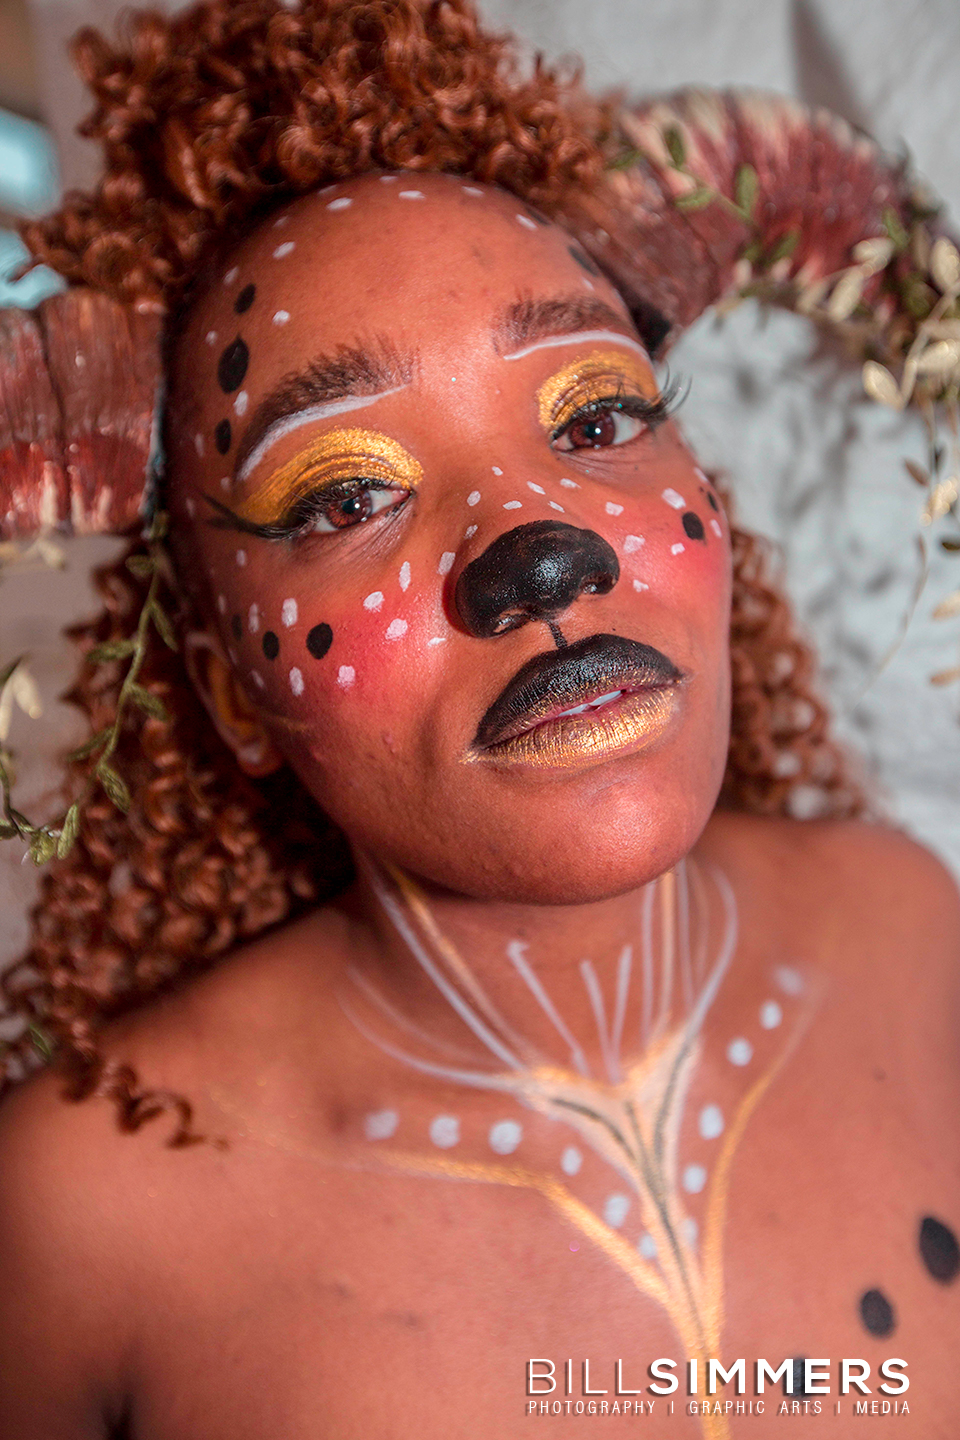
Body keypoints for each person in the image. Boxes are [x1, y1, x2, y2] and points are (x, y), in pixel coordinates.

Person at [0, 1, 958, 1435]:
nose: (538, 555)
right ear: (228, 685)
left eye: (594, 420)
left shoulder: (912, 928)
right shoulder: (81, 1220)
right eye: (346, 495)